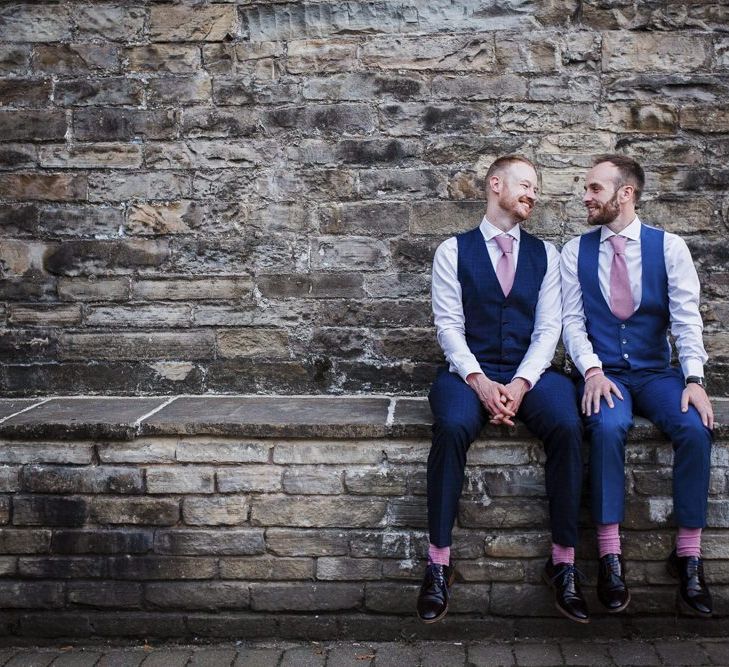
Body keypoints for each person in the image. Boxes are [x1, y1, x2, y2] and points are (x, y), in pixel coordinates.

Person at [418, 155, 588, 625]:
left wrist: (517, 384)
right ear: (496, 184)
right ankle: (438, 564)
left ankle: (564, 563)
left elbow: (549, 328)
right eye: (526, 184)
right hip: (468, 372)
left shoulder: (547, 256)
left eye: (536, 188)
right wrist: (479, 381)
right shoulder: (452, 252)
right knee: (451, 426)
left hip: (529, 373)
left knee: (568, 425)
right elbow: (448, 327)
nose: (533, 194)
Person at [560, 154, 714, 617]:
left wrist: (694, 378)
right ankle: (610, 556)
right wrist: (591, 370)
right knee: (606, 429)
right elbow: (572, 322)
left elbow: (687, 320)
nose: (585, 197)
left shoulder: (670, 248)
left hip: (655, 373)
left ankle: (688, 555)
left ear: (625, 193)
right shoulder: (575, 251)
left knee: (695, 427)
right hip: (605, 373)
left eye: (594, 189)